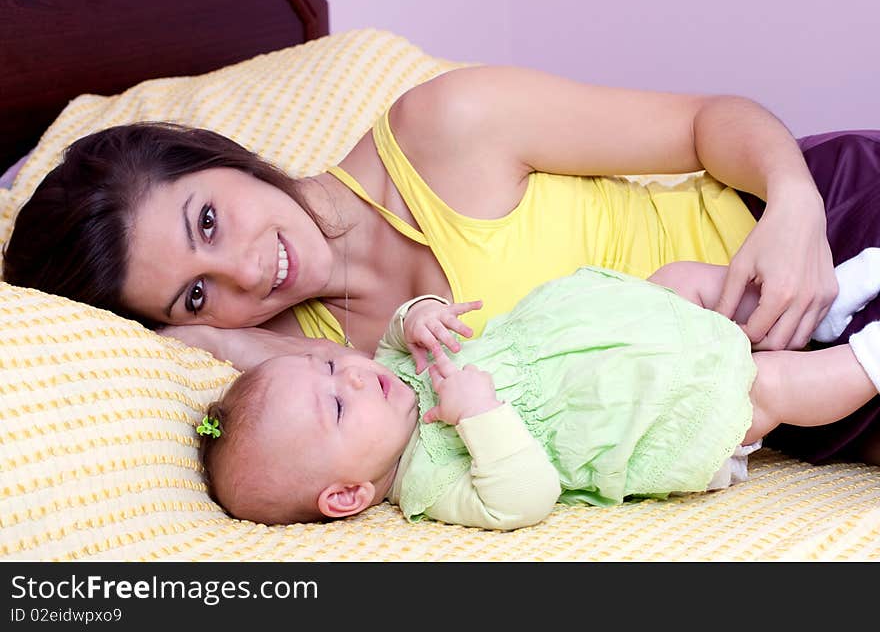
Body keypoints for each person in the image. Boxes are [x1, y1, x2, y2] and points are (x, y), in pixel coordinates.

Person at [2, 65, 879, 462]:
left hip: (815, 222)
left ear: (218, 156)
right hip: (777, 392)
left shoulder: (446, 127)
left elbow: (705, 121)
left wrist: (796, 207)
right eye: (196, 292)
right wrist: (228, 348)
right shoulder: (318, 380)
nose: (247, 270)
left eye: (208, 219)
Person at [195, 254, 880, 530]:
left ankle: (815, 311)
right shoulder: (428, 481)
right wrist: (478, 414)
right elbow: (522, 498)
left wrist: (420, 314)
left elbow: (401, 333)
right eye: (337, 405)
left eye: (324, 365)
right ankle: (864, 358)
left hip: (606, 327)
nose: (346, 375)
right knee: (773, 388)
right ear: (348, 493)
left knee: (684, 283)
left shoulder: (392, 376)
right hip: (644, 409)